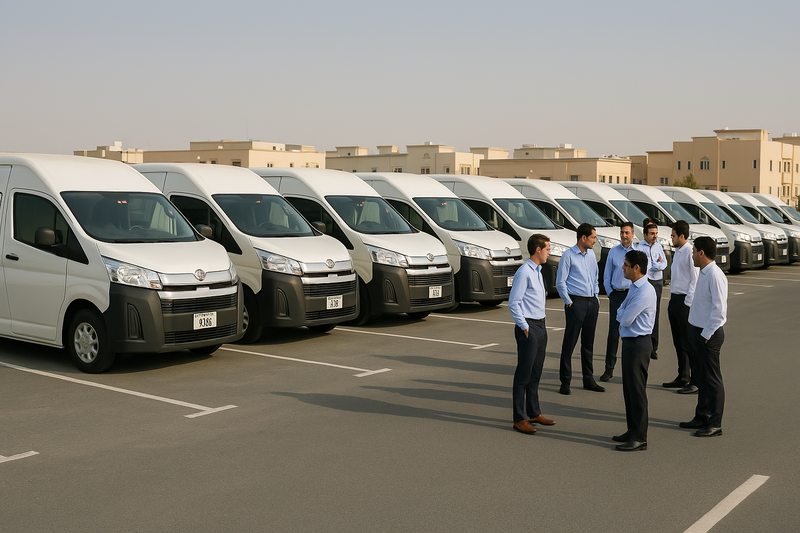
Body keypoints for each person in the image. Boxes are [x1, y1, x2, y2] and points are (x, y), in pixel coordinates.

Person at [508, 234, 557, 434]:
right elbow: (514, 302)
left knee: (535, 374)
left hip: (541, 325)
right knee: (523, 375)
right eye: (547, 248)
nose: (549, 252)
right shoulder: (524, 272)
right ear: (538, 249)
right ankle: (519, 418)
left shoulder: (538, 270)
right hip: (529, 327)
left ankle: (534, 412)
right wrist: (524, 326)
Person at [679, 236, 728, 437]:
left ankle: (715, 423)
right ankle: (702, 416)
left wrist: (706, 334)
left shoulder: (715, 275)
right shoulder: (703, 272)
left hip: (709, 334)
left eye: (693, 251)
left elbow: (720, 311)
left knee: (712, 379)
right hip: (697, 331)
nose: (691, 255)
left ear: (701, 253)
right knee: (700, 377)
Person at [612, 250, 657, 452]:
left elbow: (625, 318)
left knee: (637, 391)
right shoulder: (634, 287)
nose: (623, 267)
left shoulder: (645, 291)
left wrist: (622, 314)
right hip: (631, 342)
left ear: (636, 268)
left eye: (626, 264)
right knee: (628, 389)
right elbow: (621, 311)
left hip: (639, 344)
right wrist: (622, 313)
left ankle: (640, 437)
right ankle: (632, 430)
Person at [556, 223, 604, 395]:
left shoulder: (591, 255)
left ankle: (588, 379)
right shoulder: (568, 256)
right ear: (583, 238)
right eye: (593, 237)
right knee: (569, 343)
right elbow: (560, 282)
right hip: (576, 303)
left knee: (588, 344)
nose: (595, 241)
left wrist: (596, 298)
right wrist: (569, 302)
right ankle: (565, 381)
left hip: (592, 303)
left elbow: (595, 278)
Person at [663, 220, 699, 392]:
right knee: (678, 341)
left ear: (682, 236)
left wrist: (687, 303)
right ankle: (683, 375)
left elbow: (695, 279)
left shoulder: (690, 252)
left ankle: (694, 380)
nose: (671, 238)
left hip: (685, 301)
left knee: (688, 342)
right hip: (675, 299)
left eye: (673, 235)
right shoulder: (678, 251)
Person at [600, 221, 636, 382]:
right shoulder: (613, 252)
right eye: (622, 232)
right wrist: (610, 293)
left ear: (633, 234)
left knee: (633, 331)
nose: (624, 235)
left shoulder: (639, 252)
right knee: (613, 333)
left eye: (627, 232)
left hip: (632, 295)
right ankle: (609, 368)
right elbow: (606, 276)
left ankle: (632, 369)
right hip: (617, 295)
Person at [637, 222, 667, 359]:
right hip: (646, 282)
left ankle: (654, 347)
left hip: (657, 283)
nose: (655, 236)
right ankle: (645, 345)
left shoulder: (658, 246)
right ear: (645, 235)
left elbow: (664, 263)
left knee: (656, 313)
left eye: (656, 233)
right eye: (652, 233)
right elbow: (645, 266)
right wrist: (657, 263)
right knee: (645, 313)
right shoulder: (640, 247)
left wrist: (655, 264)